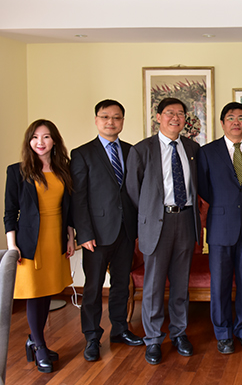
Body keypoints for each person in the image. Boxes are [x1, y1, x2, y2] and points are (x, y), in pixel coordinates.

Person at [125, 97, 201, 365]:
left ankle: (179, 333)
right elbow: (133, 191)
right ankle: (154, 338)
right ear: (158, 117)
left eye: (180, 114)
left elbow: (196, 186)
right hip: (157, 223)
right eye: (170, 113)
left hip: (185, 221)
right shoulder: (142, 149)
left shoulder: (192, 147)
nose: (175, 118)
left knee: (181, 284)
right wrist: (151, 213)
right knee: (154, 286)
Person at [71, 99, 143, 362]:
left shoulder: (131, 150)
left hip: (126, 231)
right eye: (105, 117)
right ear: (96, 120)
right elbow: (78, 198)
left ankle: (120, 329)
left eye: (116, 117)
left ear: (123, 121)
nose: (111, 122)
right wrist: (84, 233)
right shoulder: (82, 154)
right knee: (92, 288)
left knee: (121, 284)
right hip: (96, 235)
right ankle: (91, 336)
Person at [4, 120, 75, 373]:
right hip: (29, 241)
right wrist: (13, 246)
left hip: (54, 237)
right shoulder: (17, 171)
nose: (40, 142)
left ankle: (34, 340)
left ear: (54, 140)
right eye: (35, 137)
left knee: (47, 292)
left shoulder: (63, 169)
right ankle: (40, 345)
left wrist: (70, 236)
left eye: (46, 137)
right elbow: (10, 212)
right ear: (29, 141)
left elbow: (68, 210)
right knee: (34, 293)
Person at [197, 102, 242, 355]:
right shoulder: (208, 152)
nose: (236, 122)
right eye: (231, 118)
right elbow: (204, 187)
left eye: (241, 118)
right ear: (223, 123)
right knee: (221, 284)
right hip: (220, 227)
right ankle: (223, 333)